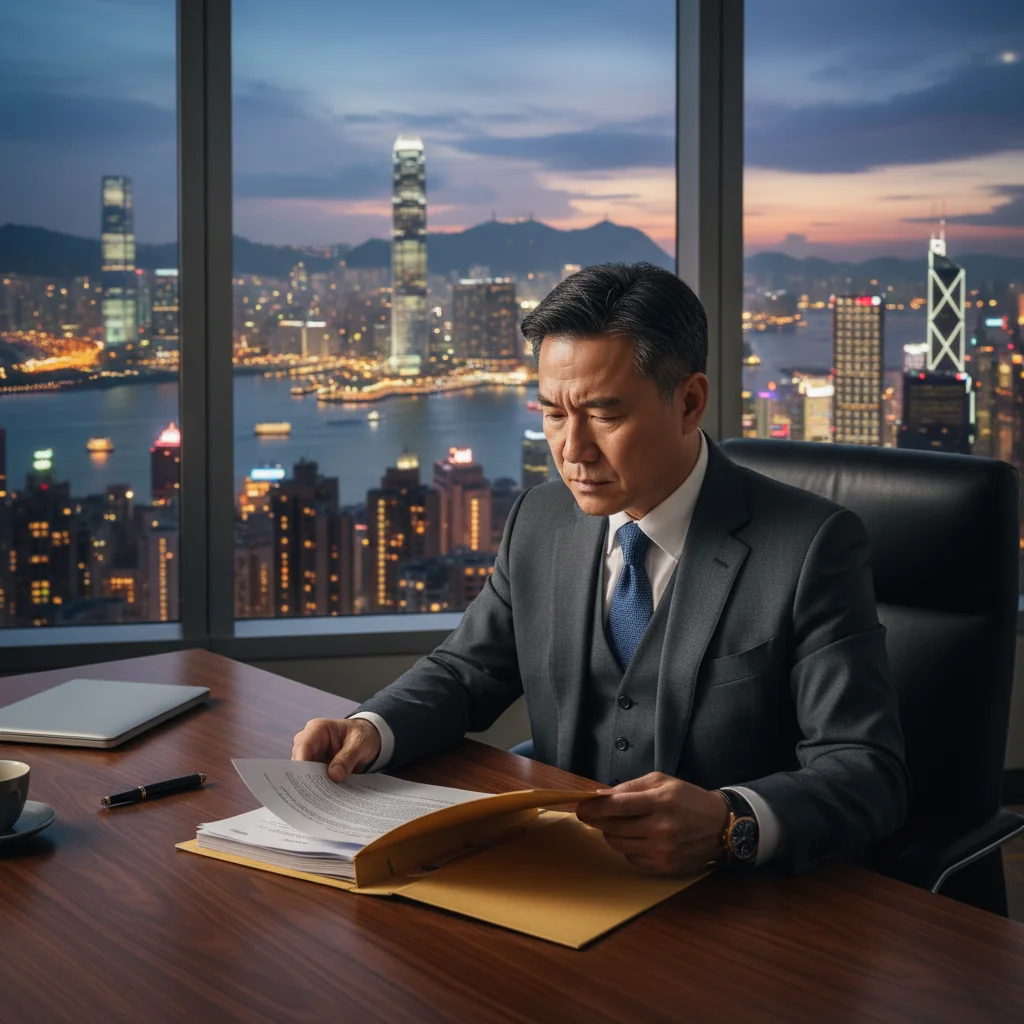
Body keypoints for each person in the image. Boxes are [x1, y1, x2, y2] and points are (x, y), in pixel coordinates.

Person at [292, 262, 909, 876]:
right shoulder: (539, 518)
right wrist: (371, 728)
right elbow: (467, 669)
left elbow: (866, 769)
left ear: (689, 402)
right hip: (566, 871)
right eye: (554, 413)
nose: (572, 450)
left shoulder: (810, 547)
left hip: (730, 900)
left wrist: (730, 822)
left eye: (605, 416)